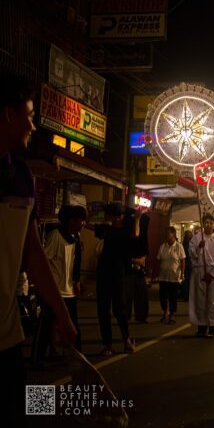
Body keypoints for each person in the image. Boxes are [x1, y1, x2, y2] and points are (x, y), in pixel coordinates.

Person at [0, 75, 76, 427]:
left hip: (7, 336)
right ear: (6, 115)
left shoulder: (21, 176)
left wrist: (62, 315)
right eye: (28, 115)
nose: (32, 125)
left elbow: (33, 253)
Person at [33, 204, 87, 361]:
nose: (83, 223)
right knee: (45, 325)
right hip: (55, 290)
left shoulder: (75, 238)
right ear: (71, 221)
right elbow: (44, 260)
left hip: (69, 290)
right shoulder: (55, 236)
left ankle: (78, 357)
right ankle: (37, 359)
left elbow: (77, 263)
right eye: (81, 220)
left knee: (73, 325)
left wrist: (76, 281)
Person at [96, 203, 137, 355]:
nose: (108, 218)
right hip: (104, 271)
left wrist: (137, 218)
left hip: (118, 271)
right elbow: (90, 227)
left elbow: (135, 235)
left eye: (110, 215)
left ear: (118, 216)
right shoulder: (105, 229)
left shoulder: (126, 230)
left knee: (119, 308)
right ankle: (108, 344)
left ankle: (126, 339)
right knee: (103, 309)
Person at [188, 214, 214, 337]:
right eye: (206, 222)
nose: (208, 225)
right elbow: (191, 254)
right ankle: (201, 325)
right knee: (200, 299)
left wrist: (213, 274)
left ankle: (213, 325)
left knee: (213, 300)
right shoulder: (196, 238)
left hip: (212, 273)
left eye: (211, 222)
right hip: (200, 271)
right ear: (202, 223)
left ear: (213, 225)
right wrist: (198, 248)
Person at [123, 209, 150, 323]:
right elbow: (135, 235)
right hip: (128, 268)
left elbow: (145, 250)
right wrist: (134, 260)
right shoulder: (125, 233)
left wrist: (142, 259)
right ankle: (125, 316)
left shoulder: (143, 236)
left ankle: (141, 316)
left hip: (139, 269)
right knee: (127, 294)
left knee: (141, 293)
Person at [156, 226, 185, 324]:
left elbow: (182, 261)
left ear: (174, 235)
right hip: (163, 276)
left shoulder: (179, 246)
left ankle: (172, 314)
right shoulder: (162, 246)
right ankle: (165, 312)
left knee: (173, 296)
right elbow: (158, 260)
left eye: (168, 233)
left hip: (174, 276)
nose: (166, 235)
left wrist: (182, 273)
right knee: (163, 295)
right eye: (166, 234)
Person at [181, 229, 193, 301]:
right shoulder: (188, 243)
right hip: (188, 264)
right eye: (190, 234)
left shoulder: (185, 243)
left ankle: (185, 295)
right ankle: (186, 295)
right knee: (187, 280)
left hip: (187, 263)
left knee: (186, 280)